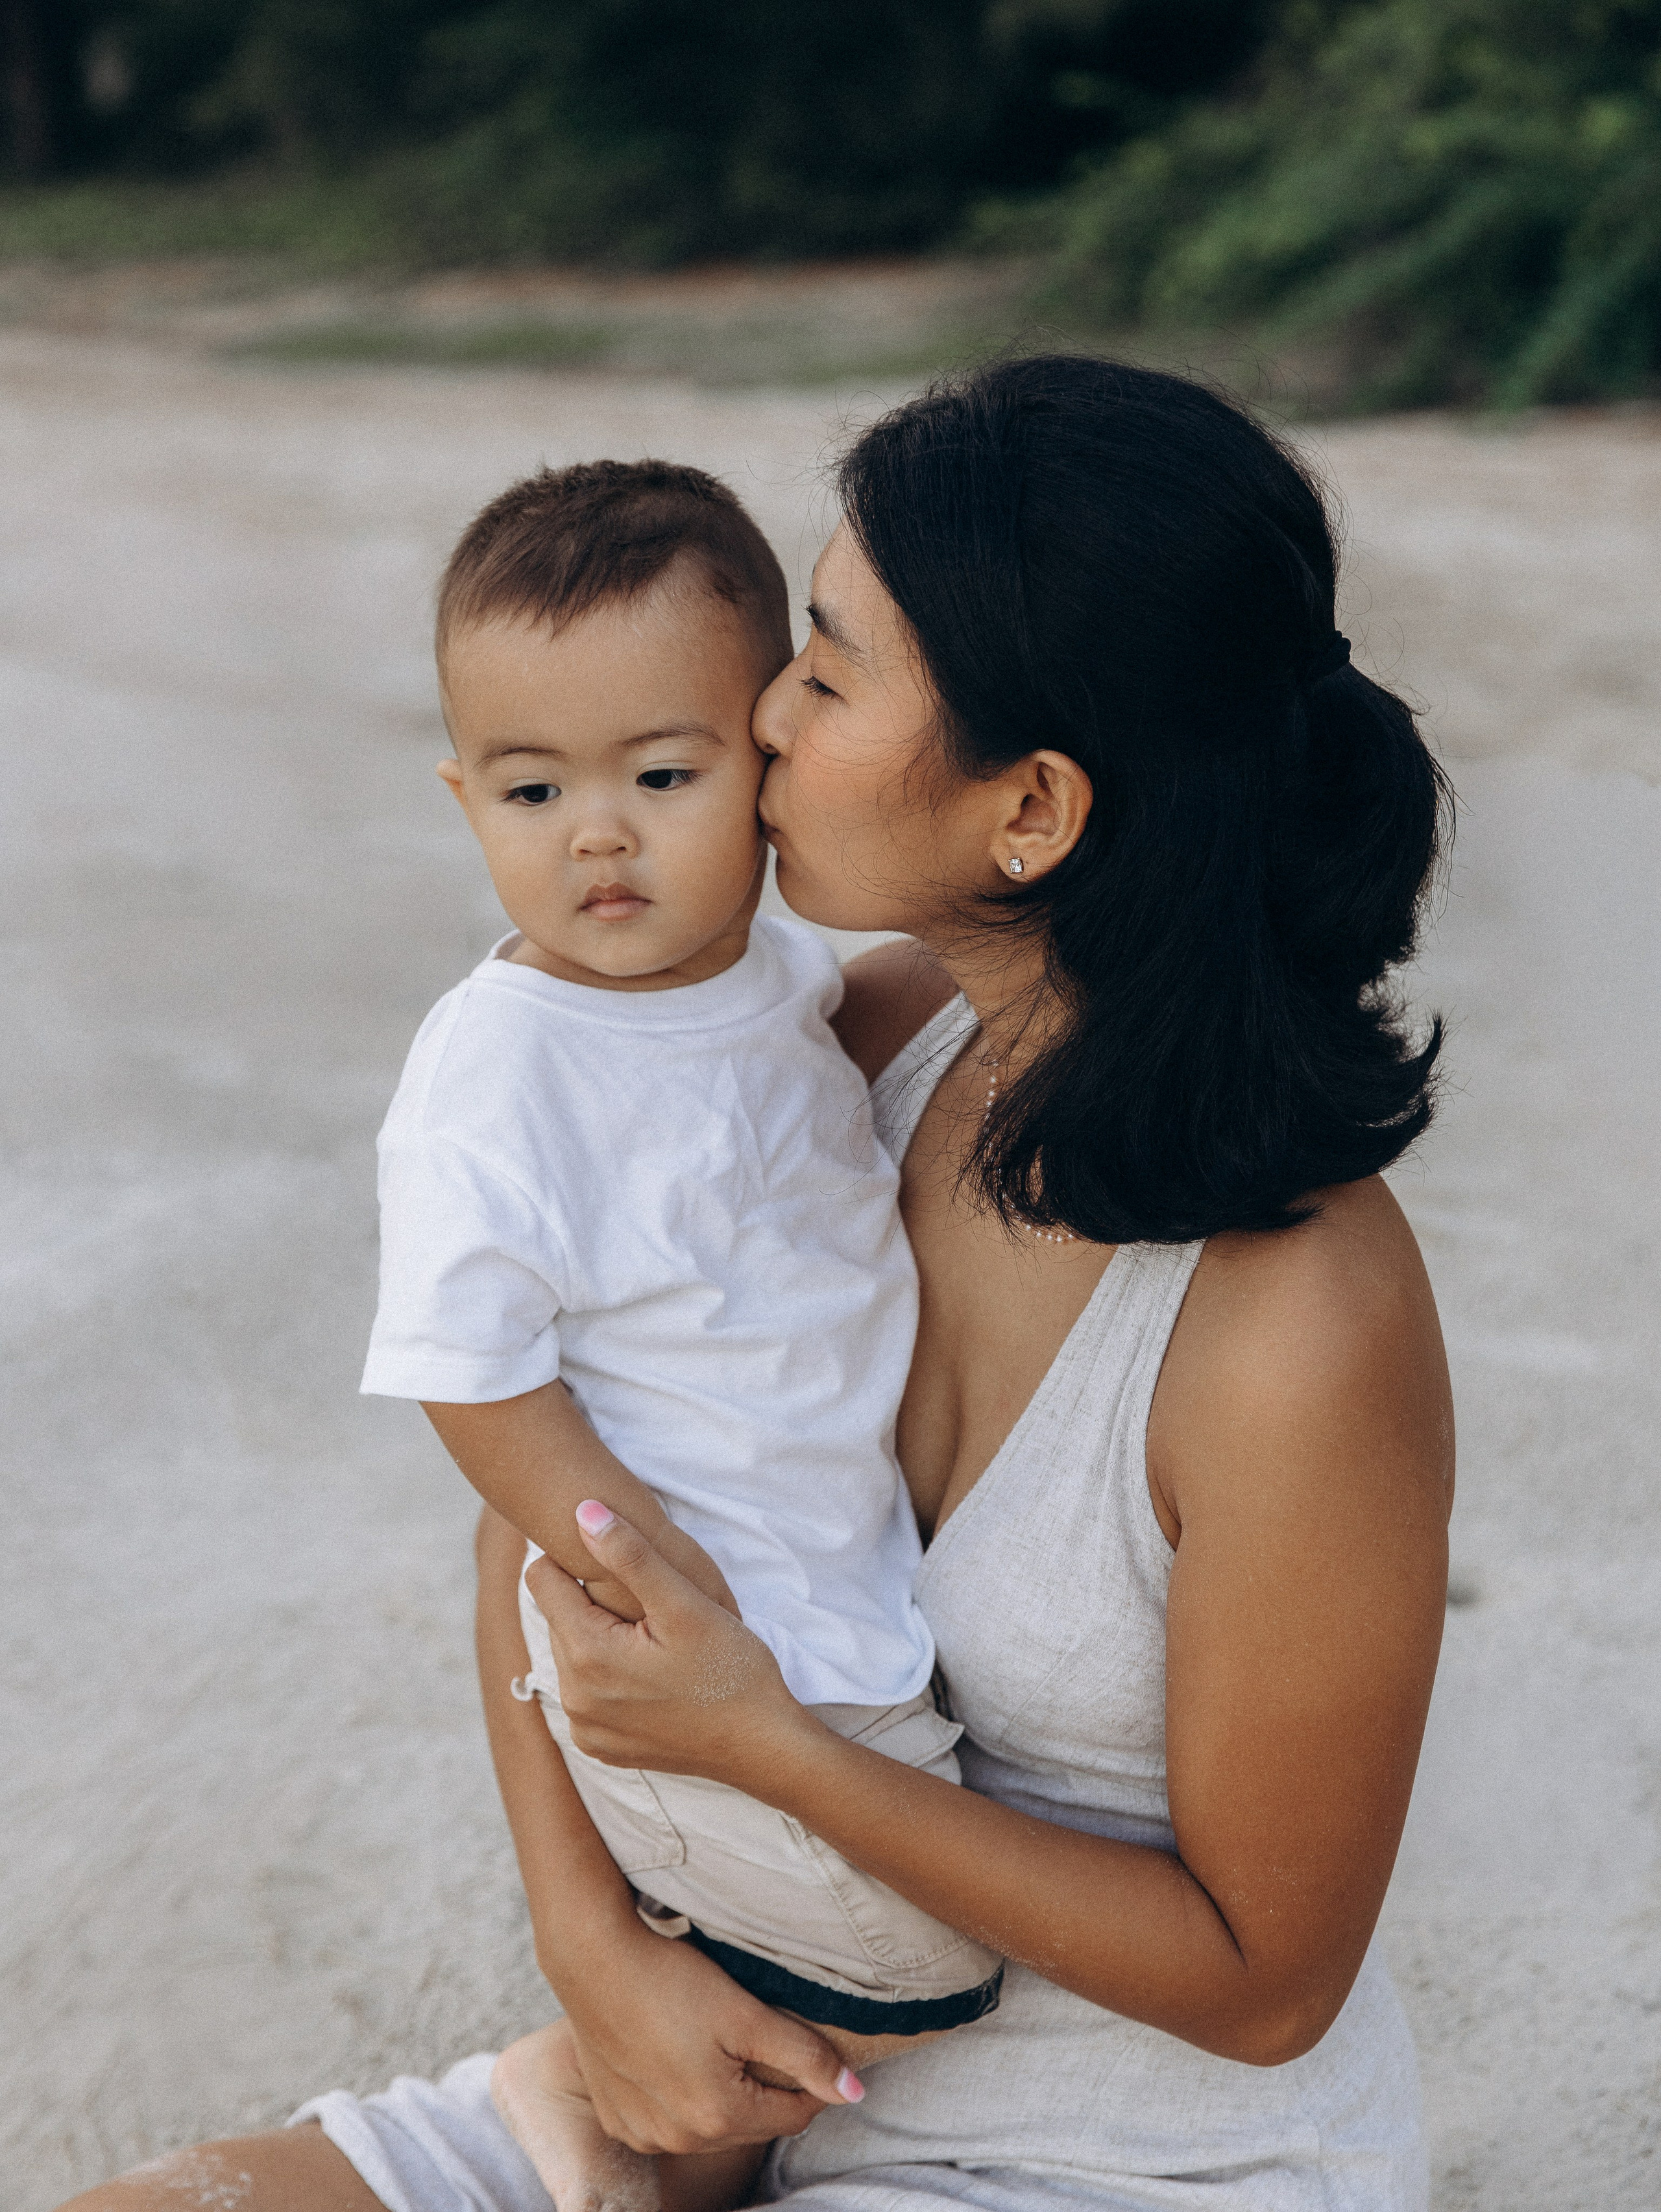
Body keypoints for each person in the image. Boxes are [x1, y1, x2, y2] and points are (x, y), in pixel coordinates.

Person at [58, 354, 1455, 2212]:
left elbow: (1269, 1979)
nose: (761, 718)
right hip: (732, 2061)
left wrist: (772, 1749)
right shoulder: (829, 1048)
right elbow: (552, 1484)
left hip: (1123, 2163)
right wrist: (591, 1947)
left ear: (1028, 806)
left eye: (827, 660)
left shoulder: (1303, 1323)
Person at [361, 457, 1005, 2209]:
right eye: (530, 785)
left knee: (807, 1973)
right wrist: (636, 1583)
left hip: (834, 1608)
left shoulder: (776, 980)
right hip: (699, 1632)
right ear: (462, 795)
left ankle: (610, 2112)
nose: (598, 832)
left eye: (664, 773)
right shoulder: (500, 1069)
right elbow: (470, 1368)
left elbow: (900, 997)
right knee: (925, 1958)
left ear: (764, 764)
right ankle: (618, 2114)